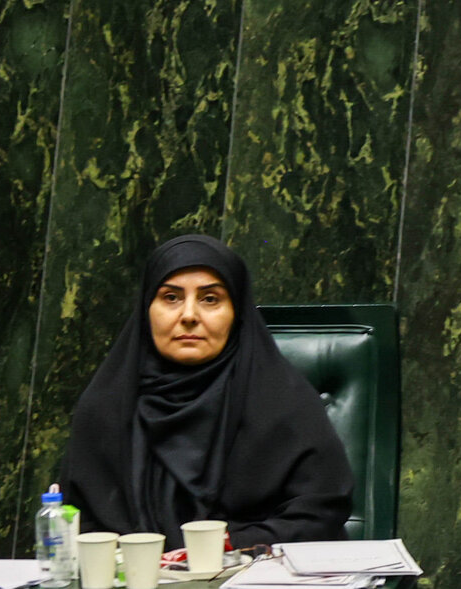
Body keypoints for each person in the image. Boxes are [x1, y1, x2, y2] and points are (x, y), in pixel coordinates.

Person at [59, 234, 353, 549]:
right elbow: (75, 523)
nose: (189, 315)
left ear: (236, 313)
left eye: (210, 299)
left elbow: (319, 515)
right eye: (171, 297)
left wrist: (225, 547)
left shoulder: (284, 403)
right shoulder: (106, 407)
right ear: (146, 309)